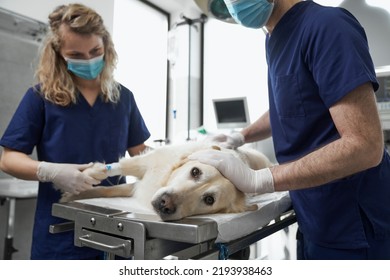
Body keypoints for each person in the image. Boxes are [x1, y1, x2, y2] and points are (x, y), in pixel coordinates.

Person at [190, 0, 390, 259]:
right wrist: (240, 136)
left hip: (354, 228)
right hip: (313, 220)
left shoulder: (328, 27)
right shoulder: (274, 40)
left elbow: (365, 146)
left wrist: (260, 179)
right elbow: (292, 104)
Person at [0, 3, 150, 259]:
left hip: (115, 229)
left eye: (95, 51)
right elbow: (8, 159)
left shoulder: (123, 98)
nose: (89, 61)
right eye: (77, 56)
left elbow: (142, 156)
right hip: (59, 230)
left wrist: (174, 162)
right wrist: (51, 171)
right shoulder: (40, 97)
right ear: (59, 53)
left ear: (107, 46)